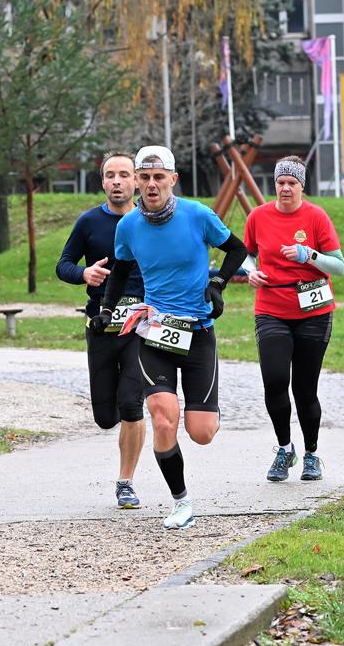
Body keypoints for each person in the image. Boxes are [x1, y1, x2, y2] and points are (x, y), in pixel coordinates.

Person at [94, 146, 249, 529]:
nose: (151, 184)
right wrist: (107, 310)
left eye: (158, 177)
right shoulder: (129, 226)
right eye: (145, 177)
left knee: (201, 432)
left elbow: (238, 249)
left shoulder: (197, 214)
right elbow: (120, 271)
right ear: (137, 181)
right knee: (163, 420)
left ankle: (208, 413)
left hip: (197, 333)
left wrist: (217, 284)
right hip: (155, 332)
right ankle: (181, 503)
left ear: (172, 179)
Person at [57, 151, 149, 509]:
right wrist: (84, 273)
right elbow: (63, 265)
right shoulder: (89, 222)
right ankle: (121, 431)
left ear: (136, 181)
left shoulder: (150, 220)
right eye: (110, 175)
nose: (117, 181)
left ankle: (126, 482)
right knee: (106, 416)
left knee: (131, 404)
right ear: (103, 182)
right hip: (100, 325)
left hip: (141, 327)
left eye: (124, 174)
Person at [245, 156, 344, 483]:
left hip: (313, 311)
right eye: (280, 182)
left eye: (292, 183)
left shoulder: (316, 217)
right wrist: (250, 271)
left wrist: (309, 255)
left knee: (304, 389)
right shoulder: (259, 216)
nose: (285, 188)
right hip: (271, 308)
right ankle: (285, 449)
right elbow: (245, 254)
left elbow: (339, 266)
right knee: (274, 381)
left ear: (302, 186)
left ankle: (312, 454)